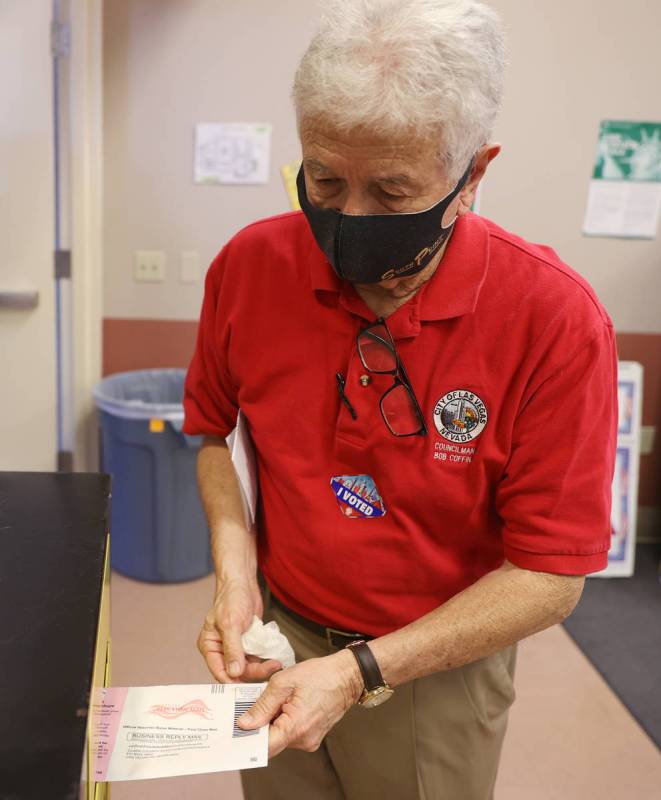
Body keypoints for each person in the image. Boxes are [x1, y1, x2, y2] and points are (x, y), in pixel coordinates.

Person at [183, 1, 617, 797]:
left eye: (390, 191)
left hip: (432, 668)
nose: (348, 218)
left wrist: (358, 672)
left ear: (472, 174)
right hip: (279, 638)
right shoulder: (248, 267)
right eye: (324, 178)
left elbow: (550, 574)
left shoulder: (553, 318)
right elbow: (214, 433)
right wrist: (233, 568)